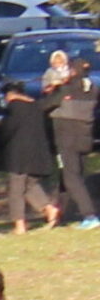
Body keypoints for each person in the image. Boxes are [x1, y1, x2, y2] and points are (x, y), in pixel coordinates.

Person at [0, 80, 59, 233]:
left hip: (18, 155)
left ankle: (20, 225)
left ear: (10, 95)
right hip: (38, 153)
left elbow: (6, 131)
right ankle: (49, 208)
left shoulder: (13, 108)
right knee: (30, 185)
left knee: (16, 190)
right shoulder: (36, 107)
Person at [42, 57, 97, 229]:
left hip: (66, 138)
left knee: (71, 177)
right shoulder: (93, 88)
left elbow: (45, 105)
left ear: (72, 71)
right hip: (84, 137)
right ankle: (65, 212)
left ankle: (89, 215)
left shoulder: (65, 89)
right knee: (76, 175)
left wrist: (52, 89)